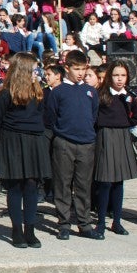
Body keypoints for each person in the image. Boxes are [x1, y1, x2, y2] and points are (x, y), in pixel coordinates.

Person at [0, 52, 51, 248]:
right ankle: (16, 229)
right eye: (34, 69)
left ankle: (30, 230)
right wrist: (10, 138)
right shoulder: (5, 94)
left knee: (31, 186)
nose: (38, 73)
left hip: (34, 142)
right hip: (13, 142)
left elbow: (42, 116)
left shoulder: (39, 93)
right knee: (15, 186)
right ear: (24, 71)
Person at [45, 49, 100, 240]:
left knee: (84, 185)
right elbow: (51, 117)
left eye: (83, 69)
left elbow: (93, 116)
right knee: (63, 184)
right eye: (76, 69)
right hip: (64, 143)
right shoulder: (58, 92)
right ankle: (64, 223)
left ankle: (84, 224)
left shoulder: (90, 91)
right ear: (67, 68)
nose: (80, 73)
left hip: (86, 143)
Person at [92, 61, 137, 239]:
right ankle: (100, 222)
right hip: (105, 136)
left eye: (123, 75)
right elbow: (94, 115)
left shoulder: (129, 96)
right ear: (109, 77)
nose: (119, 79)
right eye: (116, 75)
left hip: (121, 136)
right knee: (105, 181)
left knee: (118, 182)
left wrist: (125, 124)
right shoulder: (101, 94)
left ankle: (117, 221)